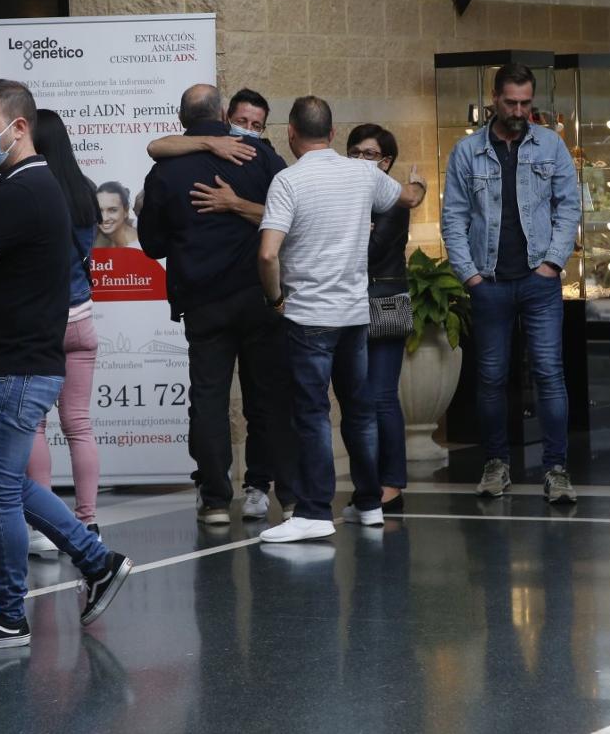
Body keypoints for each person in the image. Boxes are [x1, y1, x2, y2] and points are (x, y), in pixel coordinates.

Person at [0, 79, 132, 649]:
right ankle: (97, 561)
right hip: (16, 360)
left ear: (18, 126)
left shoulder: (23, 188)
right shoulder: (27, 186)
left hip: (14, 364)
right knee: (6, 484)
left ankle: (10, 613)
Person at [256, 96, 426, 544]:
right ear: (332, 135)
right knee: (360, 410)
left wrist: (275, 299)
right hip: (355, 314)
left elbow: (268, 252)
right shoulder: (365, 173)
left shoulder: (287, 182)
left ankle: (314, 510)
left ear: (290, 132)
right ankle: (369, 503)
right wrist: (421, 186)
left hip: (309, 316)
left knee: (312, 414)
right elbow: (408, 197)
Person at [138, 84, 298, 525]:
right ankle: (286, 495)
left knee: (208, 400)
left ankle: (214, 501)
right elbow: (289, 215)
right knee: (268, 397)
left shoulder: (165, 172)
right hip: (260, 295)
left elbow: (151, 246)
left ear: (181, 117)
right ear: (225, 112)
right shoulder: (259, 157)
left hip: (203, 300)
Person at [440, 63, 583, 504]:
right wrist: (471, 276)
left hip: (539, 280)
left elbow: (569, 206)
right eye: (511, 102)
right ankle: (495, 464)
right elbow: (454, 217)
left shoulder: (551, 146)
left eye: (525, 102)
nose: (519, 110)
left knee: (549, 374)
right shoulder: (468, 152)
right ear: (494, 98)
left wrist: (553, 263)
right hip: (491, 282)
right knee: (491, 376)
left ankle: (556, 469)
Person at [25, 108, 105, 540]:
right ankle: (88, 520)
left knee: (35, 423)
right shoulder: (85, 190)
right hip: (82, 317)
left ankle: (43, 530)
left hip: (43, 321)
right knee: (78, 423)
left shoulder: (31, 190)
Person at [348, 124, 411, 512]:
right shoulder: (352, 195)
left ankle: (392, 484)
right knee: (361, 400)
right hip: (354, 304)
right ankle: (370, 486)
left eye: (369, 154)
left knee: (383, 396)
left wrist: (354, 231)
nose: (360, 160)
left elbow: (368, 252)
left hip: (385, 302)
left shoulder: (394, 200)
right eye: (354, 152)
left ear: (385, 162)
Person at [94, 181, 140, 248]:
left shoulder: (139, 247)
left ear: (126, 211)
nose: (104, 218)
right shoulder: (100, 240)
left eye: (112, 210)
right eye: (99, 211)